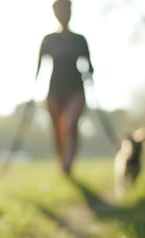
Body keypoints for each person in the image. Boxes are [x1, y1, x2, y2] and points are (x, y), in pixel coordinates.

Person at [35, 0, 93, 175]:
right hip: (54, 90)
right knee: (57, 129)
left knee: (69, 124)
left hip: (76, 89)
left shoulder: (80, 40)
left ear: (71, 11)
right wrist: (34, 89)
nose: (63, 14)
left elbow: (89, 65)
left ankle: (68, 162)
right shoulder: (49, 40)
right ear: (55, 13)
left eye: (66, 10)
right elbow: (39, 66)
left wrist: (90, 73)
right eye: (59, 10)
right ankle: (63, 162)